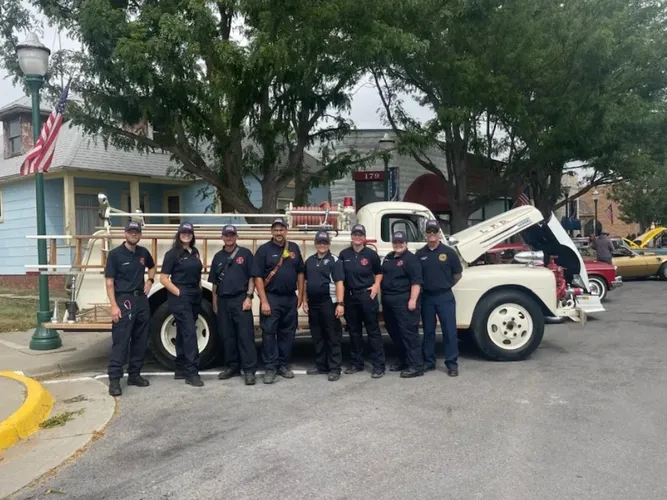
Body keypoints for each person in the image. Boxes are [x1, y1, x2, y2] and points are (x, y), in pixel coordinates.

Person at [105, 221, 157, 397]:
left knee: (140, 339)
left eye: (136, 232)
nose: (134, 234)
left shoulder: (143, 253)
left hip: (141, 300)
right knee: (121, 340)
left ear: (140, 234)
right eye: (131, 231)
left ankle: (134, 375)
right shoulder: (115, 255)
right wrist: (113, 306)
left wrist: (150, 281)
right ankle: (114, 380)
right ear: (125, 233)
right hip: (123, 299)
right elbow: (109, 283)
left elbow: (152, 267)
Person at [252, 217, 305, 384]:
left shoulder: (294, 248)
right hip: (271, 298)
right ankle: (270, 367)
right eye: (275, 230)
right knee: (269, 334)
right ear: (271, 232)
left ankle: (283, 364)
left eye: (281, 229)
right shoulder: (264, 250)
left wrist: (301, 296)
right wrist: (264, 301)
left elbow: (300, 273)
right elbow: (258, 277)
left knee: (287, 334)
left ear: (286, 230)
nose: (278, 233)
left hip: (290, 298)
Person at [209, 224, 257, 385]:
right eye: (226, 235)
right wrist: (215, 303)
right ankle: (232, 366)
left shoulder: (245, 254)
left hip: (240, 299)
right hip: (223, 301)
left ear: (236, 236)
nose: (229, 237)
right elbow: (215, 283)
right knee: (227, 336)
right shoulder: (217, 257)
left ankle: (249, 370)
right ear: (222, 237)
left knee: (245, 336)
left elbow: (252, 277)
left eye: (232, 235)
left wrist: (249, 297)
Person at [160, 222, 204, 387]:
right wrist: (179, 292)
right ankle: (192, 373)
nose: (186, 235)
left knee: (183, 331)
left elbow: (197, 273)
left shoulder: (195, 252)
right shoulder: (172, 254)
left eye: (189, 232)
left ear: (192, 235)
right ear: (179, 235)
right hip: (180, 296)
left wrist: (198, 289)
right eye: (183, 232)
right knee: (190, 333)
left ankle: (180, 367)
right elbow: (163, 278)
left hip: (195, 295)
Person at [417, 219, 463, 377]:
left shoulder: (449, 252)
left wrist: (446, 284)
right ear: (426, 234)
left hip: (444, 296)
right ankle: (429, 362)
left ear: (438, 234)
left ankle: (451, 364)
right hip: (427, 297)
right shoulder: (420, 253)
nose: (431, 234)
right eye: (429, 232)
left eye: (434, 231)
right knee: (428, 331)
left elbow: (458, 274)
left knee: (449, 331)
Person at [339, 223, 386, 378]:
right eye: (355, 234)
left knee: (373, 331)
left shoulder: (371, 254)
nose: (357, 237)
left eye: (360, 235)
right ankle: (356, 363)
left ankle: (378, 366)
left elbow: (379, 273)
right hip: (350, 297)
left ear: (364, 238)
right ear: (351, 237)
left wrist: (376, 286)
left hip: (367, 296)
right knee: (354, 332)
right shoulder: (344, 254)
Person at [303, 230, 345, 382]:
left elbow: (340, 283)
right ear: (315, 244)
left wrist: (340, 304)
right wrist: (304, 300)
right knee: (317, 335)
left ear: (328, 244)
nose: (322, 245)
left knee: (332, 335)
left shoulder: (335, 260)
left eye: (325, 242)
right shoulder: (309, 261)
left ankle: (334, 368)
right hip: (313, 303)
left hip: (329, 302)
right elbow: (306, 282)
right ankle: (321, 365)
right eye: (319, 242)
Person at [381, 231, 424, 378]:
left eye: (401, 242)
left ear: (406, 243)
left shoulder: (411, 259)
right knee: (395, 333)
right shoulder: (388, 257)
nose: (398, 244)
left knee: (409, 334)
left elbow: (416, 281)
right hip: (389, 302)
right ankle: (404, 360)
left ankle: (416, 365)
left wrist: (412, 299)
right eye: (396, 242)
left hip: (404, 301)